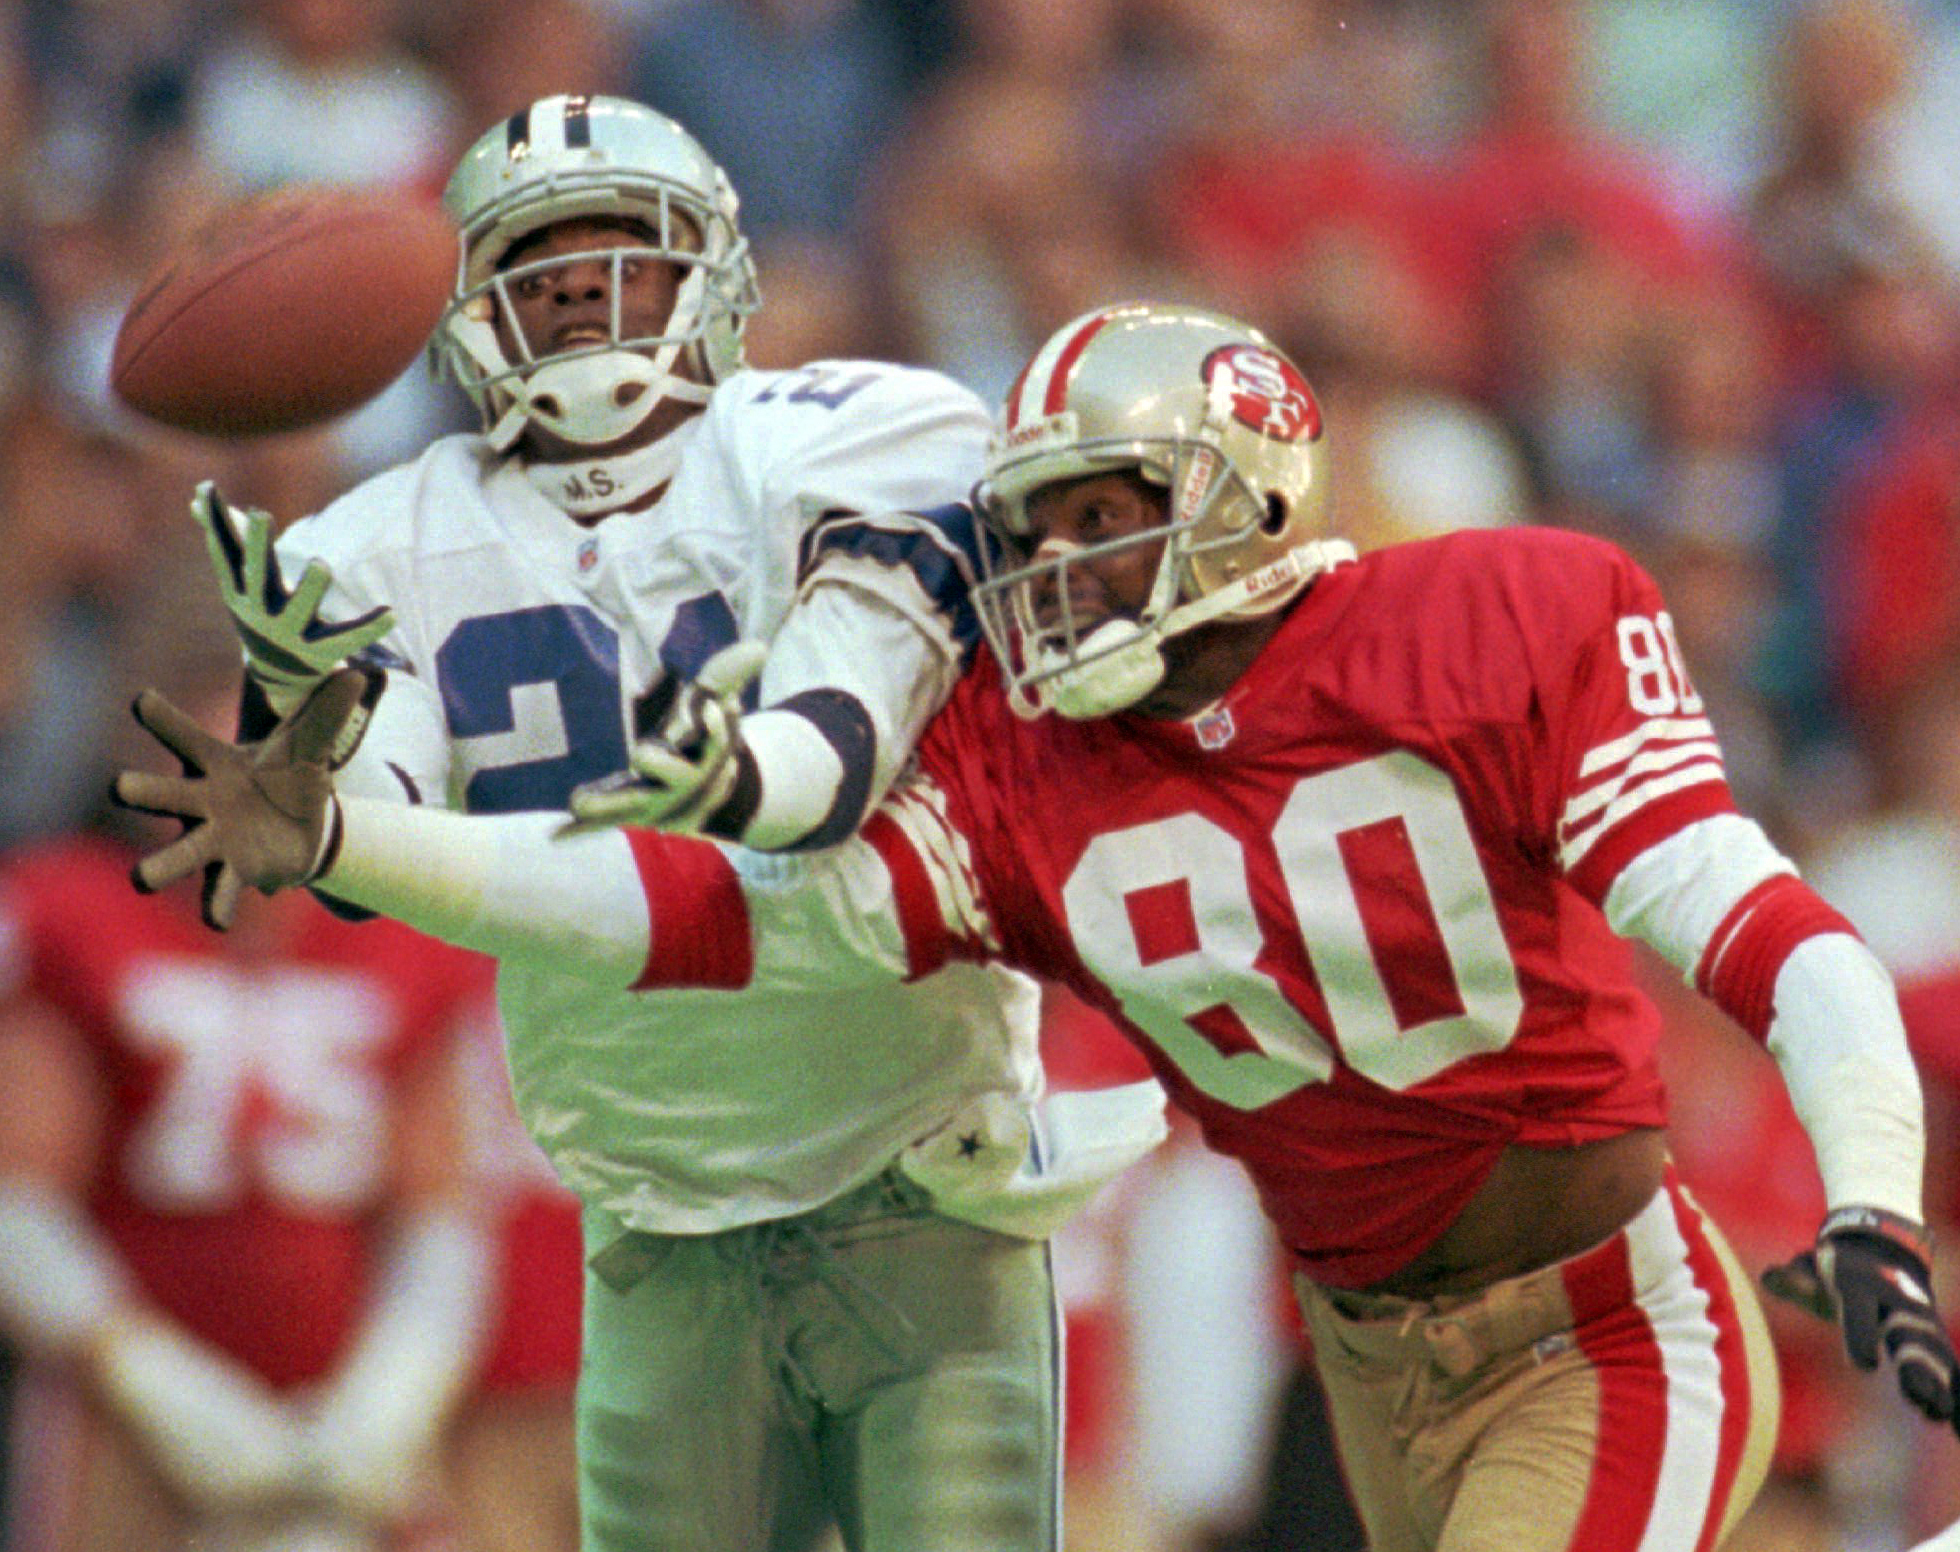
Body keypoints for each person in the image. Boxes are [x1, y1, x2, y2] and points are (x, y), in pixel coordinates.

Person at [119, 301, 1959, 1550]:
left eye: (1102, 516)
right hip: (1365, 1355)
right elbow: (699, 918)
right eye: (1036, 529)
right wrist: (357, 835)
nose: (1056, 570)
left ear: (1246, 491)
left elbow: (1767, 930)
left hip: (1606, 1325)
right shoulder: (1021, 766)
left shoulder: (1498, 619)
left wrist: (1870, 1191)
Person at [179, 93, 1164, 1552]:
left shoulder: (855, 432)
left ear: (713, 274)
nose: (581, 294)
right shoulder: (374, 540)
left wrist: (743, 776)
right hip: (651, 1205)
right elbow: (372, 830)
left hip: (915, 1172)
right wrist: (321, 787)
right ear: (470, 316)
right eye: (539, 268)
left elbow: (830, 750)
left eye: (619, 258)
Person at [0, 661, 495, 1552]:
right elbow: (20, 1199)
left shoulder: (402, 938)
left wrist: (392, 1394)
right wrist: (150, 1377)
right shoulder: (76, 915)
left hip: (337, 1405)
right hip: (126, 1423)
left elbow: (441, 1210)